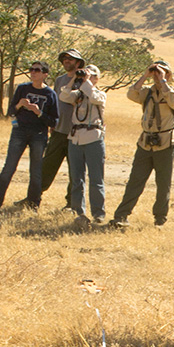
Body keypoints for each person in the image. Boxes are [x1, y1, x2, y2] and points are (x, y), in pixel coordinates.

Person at [109, 60, 174, 228]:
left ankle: (160, 218)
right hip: (145, 142)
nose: (157, 75)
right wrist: (145, 75)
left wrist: (163, 81)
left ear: (169, 75)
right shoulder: (147, 93)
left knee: (163, 183)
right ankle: (121, 216)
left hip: (165, 142)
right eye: (155, 72)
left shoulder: (173, 92)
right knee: (135, 180)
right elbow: (131, 94)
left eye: (162, 72)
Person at [0, 60, 59, 212]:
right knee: (9, 168)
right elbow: (11, 112)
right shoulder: (22, 88)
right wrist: (20, 105)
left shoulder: (50, 94)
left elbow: (54, 121)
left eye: (37, 70)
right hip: (19, 131)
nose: (33, 72)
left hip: (39, 134)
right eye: (31, 69)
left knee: (35, 171)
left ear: (45, 74)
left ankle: (33, 205)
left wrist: (38, 112)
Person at [59, 64, 106, 228]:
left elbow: (94, 98)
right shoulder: (77, 94)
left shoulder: (100, 94)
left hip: (93, 138)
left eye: (92, 76)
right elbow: (64, 96)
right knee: (76, 178)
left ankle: (98, 214)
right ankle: (78, 212)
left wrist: (86, 82)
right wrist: (74, 79)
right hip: (76, 139)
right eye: (87, 75)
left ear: (97, 79)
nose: (88, 78)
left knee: (96, 179)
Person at [39, 48, 87, 209]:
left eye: (71, 59)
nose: (67, 61)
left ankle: (71, 204)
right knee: (47, 166)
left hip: (77, 133)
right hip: (58, 131)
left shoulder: (84, 81)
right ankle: (34, 198)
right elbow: (54, 102)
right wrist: (51, 122)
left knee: (75, 172)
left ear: (78, 62)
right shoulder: (60, 80)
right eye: (64, 58)